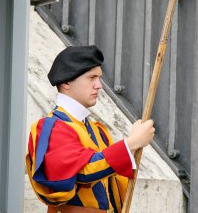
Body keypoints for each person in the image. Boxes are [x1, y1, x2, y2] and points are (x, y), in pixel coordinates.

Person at [26, 45, 155, 213]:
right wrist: (130, 144)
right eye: (92, 78)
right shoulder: (50, 127)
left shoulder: (97, 130)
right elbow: (83, 171)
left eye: (99, 78)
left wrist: (133, 146)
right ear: (66, 82)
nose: (99, 85)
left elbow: (111, 187)